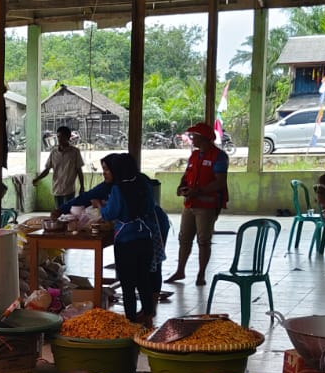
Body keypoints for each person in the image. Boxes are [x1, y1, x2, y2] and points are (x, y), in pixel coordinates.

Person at [92, 154, 164, 325]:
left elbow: (110, 214)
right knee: (144, 279)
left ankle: (130, 320)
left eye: (108, 169)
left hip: (126, 242)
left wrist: (100, 205)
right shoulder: (143, 184)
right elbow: (150, 207)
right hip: (145, 239)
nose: (106, 173)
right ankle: (148, 317)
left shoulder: (118, 189)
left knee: (128, 284)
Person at [169, 122, 228, 286]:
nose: (191, 139)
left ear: (203, 138)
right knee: (184, 238)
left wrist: (199, 191)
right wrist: (181, 186)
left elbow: (220, 182)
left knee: (203, 240)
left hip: (207, 205)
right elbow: (187, 174)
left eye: (193, 136)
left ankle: (201, 274)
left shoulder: (219, 156)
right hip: (190, 203)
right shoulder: (194, 155)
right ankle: (180, 271)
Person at [33, 125, 84, 208]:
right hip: (57, 189)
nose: (59, 139)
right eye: (58, 137)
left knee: (67, 213)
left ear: (68, 137)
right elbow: (47, 169)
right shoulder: (54, 152)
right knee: (58, 212)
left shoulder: (75, 152)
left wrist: (82, 186)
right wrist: (37, 179)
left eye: (62, 137)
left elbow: (79, 171)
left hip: (69, 190)